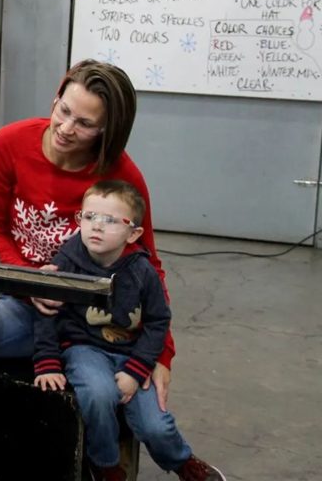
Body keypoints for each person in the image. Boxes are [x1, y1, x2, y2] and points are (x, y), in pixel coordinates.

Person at [0, 59, 175, 409]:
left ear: (107, 131)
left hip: (69, 319)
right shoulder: (9, 144)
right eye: (63, 110)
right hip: (9, 287)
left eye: (84, 123)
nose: (65, 128)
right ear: (56, 99)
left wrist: (164, 355)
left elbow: (149, 267)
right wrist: (30, 280)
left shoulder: (123, 177)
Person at [32, 180, 225, 481]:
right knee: (98, 394)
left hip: (132, 354)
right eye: (89, 216)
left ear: (133, 232)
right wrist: (47, 362)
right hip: (84, 349)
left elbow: (159, 321)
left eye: (110, 220)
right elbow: (46, 313)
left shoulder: (142, 272)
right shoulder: (66, 263)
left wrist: (137, 370)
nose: (96, 226)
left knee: (155, 425)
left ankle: (181, 460)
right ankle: (106, 464)